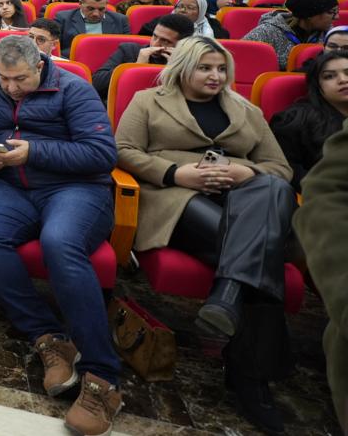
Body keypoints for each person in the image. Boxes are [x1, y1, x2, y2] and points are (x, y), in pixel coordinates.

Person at [115, 37, 296, 433]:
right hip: (175, 198)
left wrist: (247, 172)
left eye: (221, 69)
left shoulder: (246, 109)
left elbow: (279, 168)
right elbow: (123, 149)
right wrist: (175, 173)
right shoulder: (148, 101)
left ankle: (227, 298)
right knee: (262, 255)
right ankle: (251, 381)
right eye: (205, 68)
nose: (216, 76)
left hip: (243, 201)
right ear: (183, 68)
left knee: (272, 189)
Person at [0, 36, 122, 436]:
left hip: (76, 188)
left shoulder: (74, 89)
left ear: (40, 66)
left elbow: (101, 153)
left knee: (60, 243)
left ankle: (103, 377)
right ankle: (48, 336)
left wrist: (33, 151)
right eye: (4, 79)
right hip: (15, 188)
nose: (11, 87)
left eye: (19, 79)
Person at [292, 123, 348, 434]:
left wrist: (243, 171)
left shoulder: (244, 114)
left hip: (245, 191)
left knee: (266, 193)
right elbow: (327, 193)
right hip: (176, 189)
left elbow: (272, 163)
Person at [271, 50, 348, 191]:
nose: (343, 80)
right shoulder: (295, 120)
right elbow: (287, 169)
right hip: (324, 195)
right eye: (329, 76)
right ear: (317, 86)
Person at [91, 13, 194, 102]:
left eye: (165, 41)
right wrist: (136, 67)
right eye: (154, 36)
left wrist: (177, 68)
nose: (155, 44)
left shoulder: (191, 61)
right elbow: (96, 84)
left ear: (182, 44)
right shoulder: (129, 50)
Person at [243, 0, 337, 69]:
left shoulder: (331, 34)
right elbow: (241, 59)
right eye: (331, 12)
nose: (337, 17)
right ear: (310, 15)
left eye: (336, 12)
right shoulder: (266, 32)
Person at [57, 0, 131, 54]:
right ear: (80, 3)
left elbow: (127, 51)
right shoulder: (63, 18)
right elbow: (55, 50)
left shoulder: (120, 20)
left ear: (106, 4)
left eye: (101, 9)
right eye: (90, 9)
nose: (96, 14)